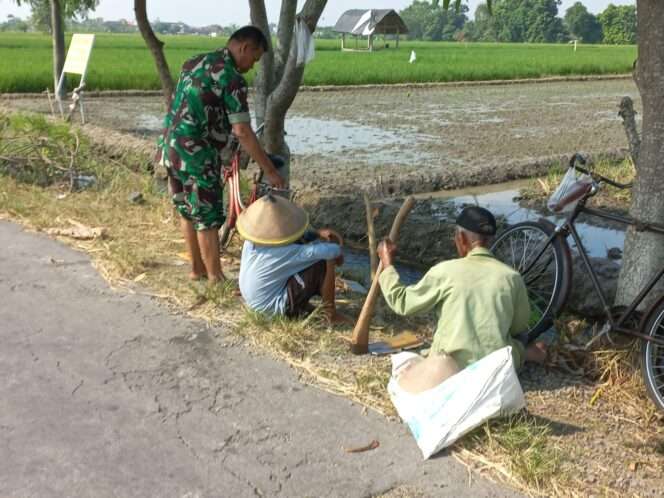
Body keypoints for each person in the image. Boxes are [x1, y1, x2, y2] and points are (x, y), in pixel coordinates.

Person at [156, 25, 284, 284]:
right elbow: (242, 130)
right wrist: (270, 170)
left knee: (187, 209)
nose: (252, 65)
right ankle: (215, 278)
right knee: (207, 215)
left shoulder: (194, 62)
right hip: (196, 154)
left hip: (170, 147)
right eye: (254, 58)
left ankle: (197, 270)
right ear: (244, 48)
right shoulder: (231, 78)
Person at [377, 206, 546, 391]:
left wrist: (387, 264)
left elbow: (402, 303)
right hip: (496, 369)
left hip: (450, 371)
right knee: (517, 341)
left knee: (406, 368)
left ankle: (524, 353)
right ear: (490, 240)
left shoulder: (445, 271)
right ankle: (525, 354)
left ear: (461, 238)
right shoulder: (512, 277)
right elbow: (518, 326)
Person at [237, 194, 351, 324]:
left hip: (254, 303)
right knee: (325, 261)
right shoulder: (285, 252)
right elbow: (331, 252)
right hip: (272, 311)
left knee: (304, 264)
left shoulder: (251, 242)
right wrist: (337, 248)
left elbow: (294, 240)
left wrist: (316, 234)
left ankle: (301, 306)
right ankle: (330, 314)